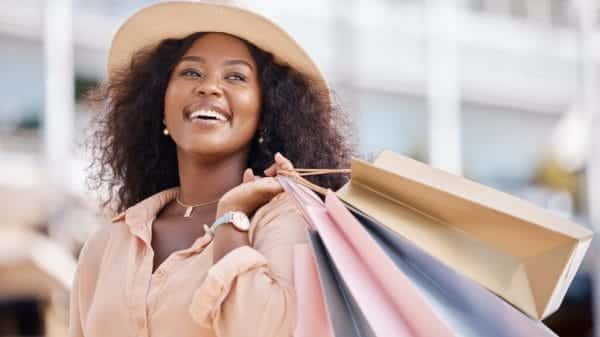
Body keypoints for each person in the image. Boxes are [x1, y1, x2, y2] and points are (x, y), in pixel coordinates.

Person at [69, 1, 352, 337]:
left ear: (266, 113)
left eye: (235, 76)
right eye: (191, 72)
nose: (209, 87)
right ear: (160, 105)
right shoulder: (106, 246)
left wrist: (232, 218)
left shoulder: (283, 221)